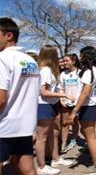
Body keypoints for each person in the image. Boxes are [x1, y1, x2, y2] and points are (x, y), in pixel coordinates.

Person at [0, 17, 39, 175]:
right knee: (27, 168)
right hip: (25, 125)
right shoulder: (31, 61)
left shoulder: (2, 58)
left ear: (8, 36)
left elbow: (1, 99)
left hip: (4, 125)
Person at [36, 45, 74, 175]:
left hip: (50, 105)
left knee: (53, 134)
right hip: (43, 105)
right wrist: (63, 95)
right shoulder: (45, 71)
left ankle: (55, 159)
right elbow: (43, 92)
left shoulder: (49, 71)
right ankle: (41, 167)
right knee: (42, 137)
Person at [69, 46, 96, 174]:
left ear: (87, 56)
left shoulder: (88, 72)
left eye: (81, 55)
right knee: (86, 132)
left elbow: (85, 93)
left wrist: (74, 111)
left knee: (90, 137)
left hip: (89, 106)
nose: (80, 58)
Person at [58, 54, 81, 153]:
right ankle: (63, 143)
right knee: (65, 123)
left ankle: (74, 140)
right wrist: (62, 99)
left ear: (73, 61)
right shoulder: (63, 74)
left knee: (75, 122)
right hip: (66, 103)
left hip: (77, 103)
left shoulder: (80, 73)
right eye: (64, 61)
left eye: (67, 61)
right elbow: (61, 88)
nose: (65, 63)